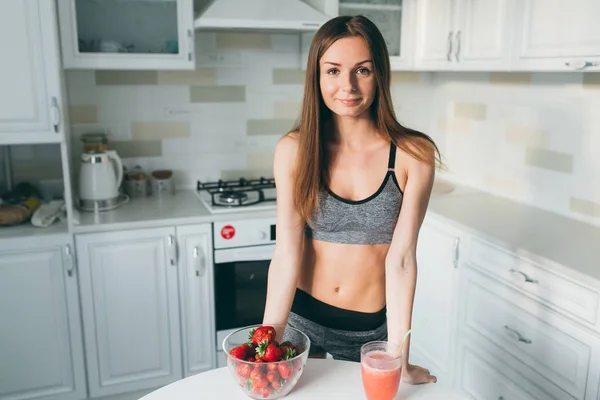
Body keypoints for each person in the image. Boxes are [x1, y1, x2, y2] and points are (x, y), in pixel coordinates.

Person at [262, 15, 440, 385]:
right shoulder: (294, 150)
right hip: (301, 319)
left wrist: (399, 358)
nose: (347, 86)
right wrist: (269, 343)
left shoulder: (413, 154)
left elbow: (403, 260)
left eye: (362, 70)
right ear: (317, 76)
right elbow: (286, 254)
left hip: (368, 331)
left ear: (380, 75)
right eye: (333, 71)